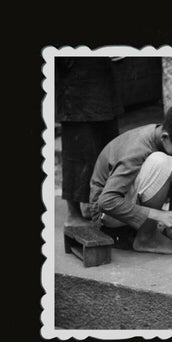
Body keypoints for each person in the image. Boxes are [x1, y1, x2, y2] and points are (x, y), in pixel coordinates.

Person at [89, 102, 172, 254]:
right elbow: (106, 202)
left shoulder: (168, 139)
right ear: (165, 137)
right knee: (161, 161)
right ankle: (146, 238)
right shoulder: (137, 149)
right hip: (107, 215)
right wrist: (158, 215)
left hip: (132, 200)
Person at [56, 57, 124, 226]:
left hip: (102, 81)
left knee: (109, 150)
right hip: (76, 87)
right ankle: (73, 214)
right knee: (79, 154)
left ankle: (93, 206)